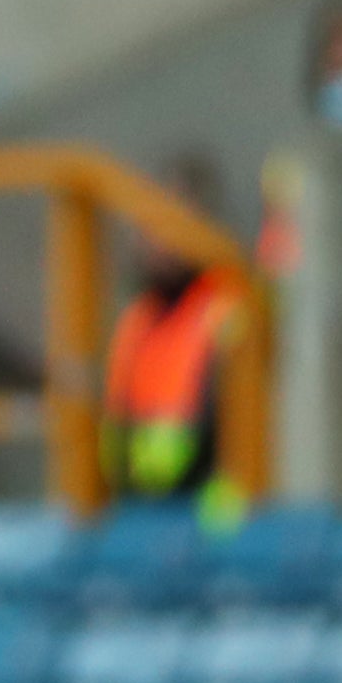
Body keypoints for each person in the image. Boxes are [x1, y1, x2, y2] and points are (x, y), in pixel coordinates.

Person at [101, 155, 247, 523]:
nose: (160, 242)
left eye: (175, 223)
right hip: (140, 512)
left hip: (214, 523)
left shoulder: (229, 308)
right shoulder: (135, 320)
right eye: (151, 225)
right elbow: (115, 432)